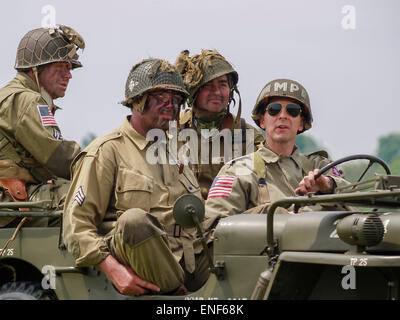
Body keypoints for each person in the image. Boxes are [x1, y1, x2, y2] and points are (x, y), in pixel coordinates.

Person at [62, 58, 214, 297]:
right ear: (137, 101)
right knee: (134, 222)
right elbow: (76, 227)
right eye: (161, 98)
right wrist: (112, 269)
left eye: (176, 100)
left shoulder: (178, 150)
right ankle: (175, 295)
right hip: (141, 261)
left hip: (189, 256)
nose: (170, 106)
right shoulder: (106, 151)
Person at [205, 78, 350, 218]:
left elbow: (356, 200)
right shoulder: (238, 171)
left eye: (292, 111)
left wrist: (327, 186)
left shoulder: (319, 166)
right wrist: (276, 216)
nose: (283, 116)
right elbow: (215, 227)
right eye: (274, 109)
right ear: (262, 121)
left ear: (301, 123)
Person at [0, 25, 85, 227]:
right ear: (36, 69)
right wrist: (105, 164)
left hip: (12, 198)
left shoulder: (11, 95)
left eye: (70, 68)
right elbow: (60, 158)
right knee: (90, 196)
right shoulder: (28, 101)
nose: (69, 75)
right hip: (11, 203)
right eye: (61, 67)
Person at [175, 50, 264, 199]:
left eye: (222, 84)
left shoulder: (248, 136)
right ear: (193, 91)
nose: (216, 92)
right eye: (208, 85)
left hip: (231, 216)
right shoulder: (171, 132)